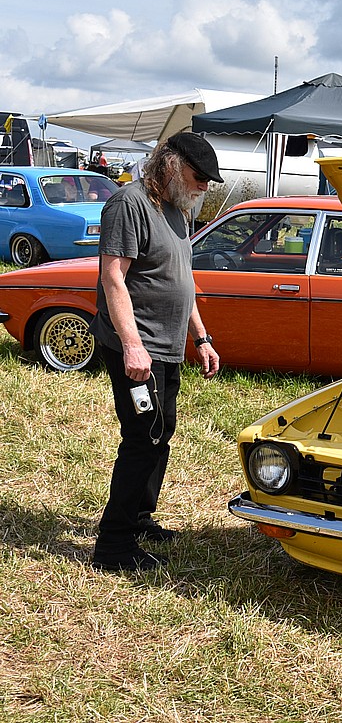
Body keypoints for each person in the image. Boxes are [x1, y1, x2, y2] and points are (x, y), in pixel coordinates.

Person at [90, 132, 223, 572]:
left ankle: (139, 518)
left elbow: (181, 279)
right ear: (170, 164)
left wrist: (201, 337)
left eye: (209, 179)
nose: (204, 185)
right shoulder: (129, 204)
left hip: (167, 347)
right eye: (199, 175)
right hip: (137, 348)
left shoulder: (179, 210)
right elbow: (113, 277)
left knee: (161, 432)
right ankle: (114, 546)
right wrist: (132, 346)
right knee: (143, 438)